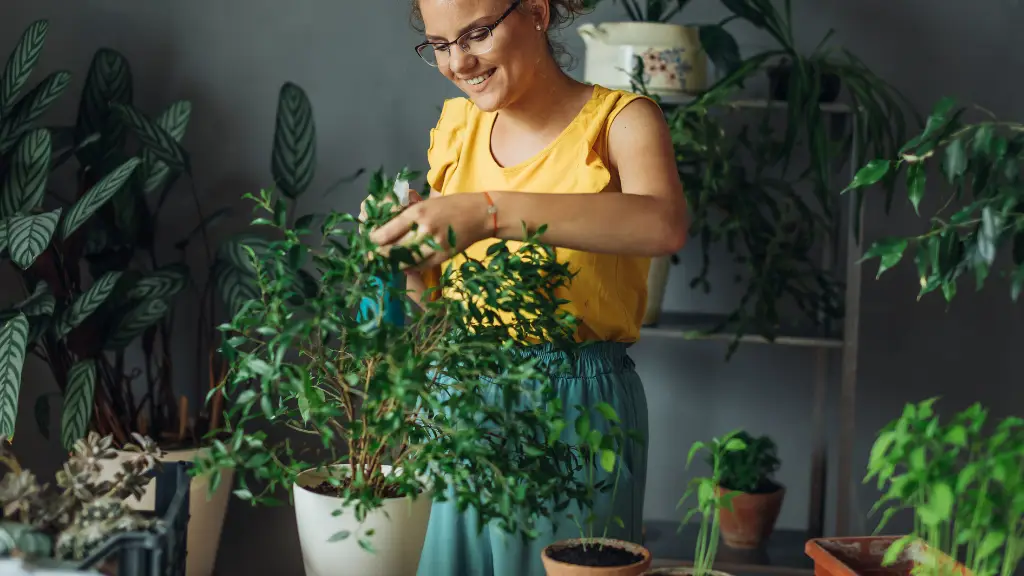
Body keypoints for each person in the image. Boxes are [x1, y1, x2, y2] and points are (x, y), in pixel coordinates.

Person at [365, 0, 688, 574]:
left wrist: (489, 213)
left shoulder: (621, 121)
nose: (458, 62)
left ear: (537, 13)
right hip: (457, 404)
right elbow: (435, 315)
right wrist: (410, 268)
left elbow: (662, 224)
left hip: (577, 405)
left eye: (477, 34)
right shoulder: (455, 131)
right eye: (439, 45)